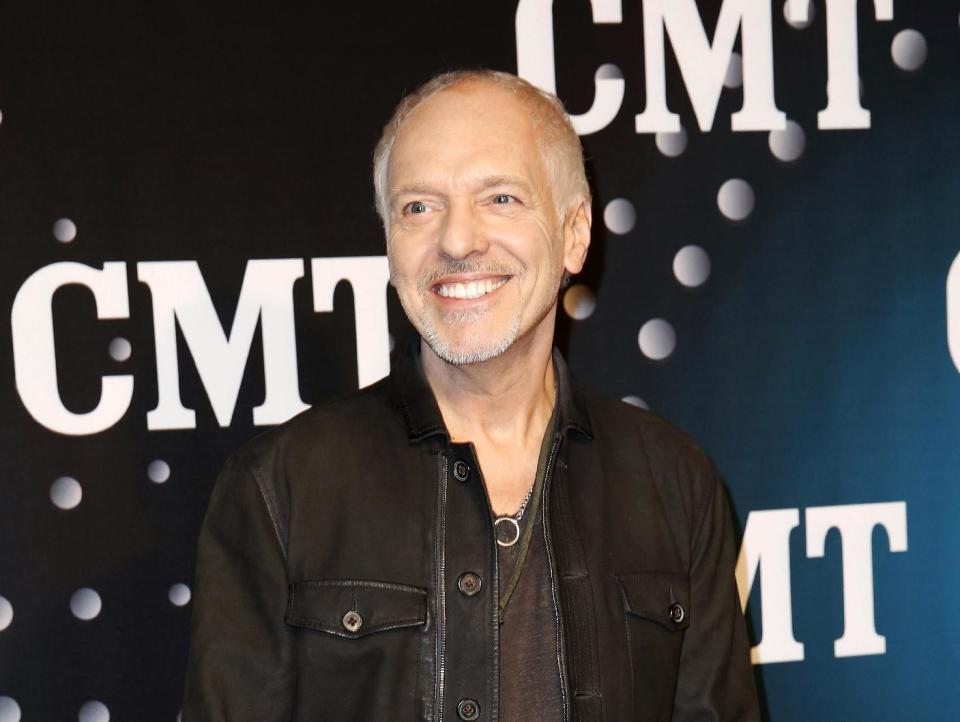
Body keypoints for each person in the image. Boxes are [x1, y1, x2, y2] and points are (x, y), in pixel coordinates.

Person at [182, 69, 760, 722]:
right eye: (418, 207)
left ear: (574, 234)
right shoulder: (278, 489)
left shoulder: (675, 482)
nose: (457, 241)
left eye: (501, 199)